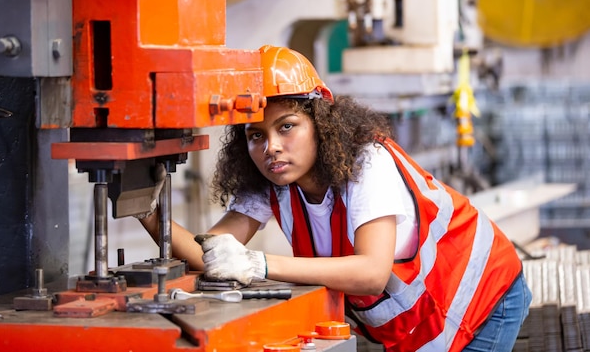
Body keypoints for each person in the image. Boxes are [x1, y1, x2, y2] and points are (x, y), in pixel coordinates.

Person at [141, 45, 532, 352]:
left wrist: (258, 263)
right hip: (419, 320)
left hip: (480, 298)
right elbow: (212, 252)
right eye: (256, 135)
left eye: (287, 126)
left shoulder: (367, 163)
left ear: (320, 123)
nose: (271, 147)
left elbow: (371, 273)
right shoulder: (271, 180)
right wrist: (148, 212)